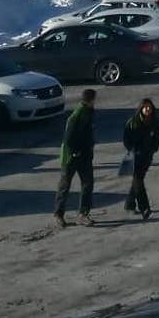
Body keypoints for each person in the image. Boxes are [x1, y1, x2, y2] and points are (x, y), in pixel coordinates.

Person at [54, 89, 97, 228]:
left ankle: (83, 214)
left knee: (87, 183)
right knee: (65, 186)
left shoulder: (88, 113)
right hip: (71, 157)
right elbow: (68, 139)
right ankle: (59, 215)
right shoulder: (77, 116)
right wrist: (75, 153)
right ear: (91, 100)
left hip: (84, 155)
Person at [123, 98, 159, 221]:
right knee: (138, 180)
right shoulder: (133, 122)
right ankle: (144, 208)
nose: (147, 109)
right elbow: (126, 138)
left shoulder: (155, 122)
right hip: (135, 156)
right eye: (145, 107)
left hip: (147, 156)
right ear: (141, 109)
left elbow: (158, 136)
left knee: (138, 180)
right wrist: (132, 150)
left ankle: (129, 204)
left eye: (149, 107)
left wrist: (154, 148)